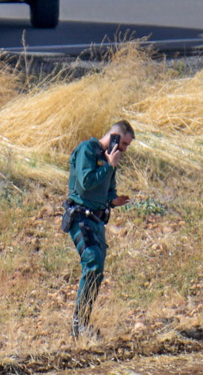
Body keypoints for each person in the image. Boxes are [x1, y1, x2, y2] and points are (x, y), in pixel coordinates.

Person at [63, 121, 134, 341]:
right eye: (123, 143)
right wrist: (108, 166)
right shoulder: (87, 149)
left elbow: (106, 190)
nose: (124, 149)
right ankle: (79, 325)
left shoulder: (109, 157)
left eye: (127, 145)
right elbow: (85, 183)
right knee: (92, 262)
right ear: (114, 135)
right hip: (81, 218)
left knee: (98, 270)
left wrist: (114, 200)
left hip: (96, 221)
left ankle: (83, 322)